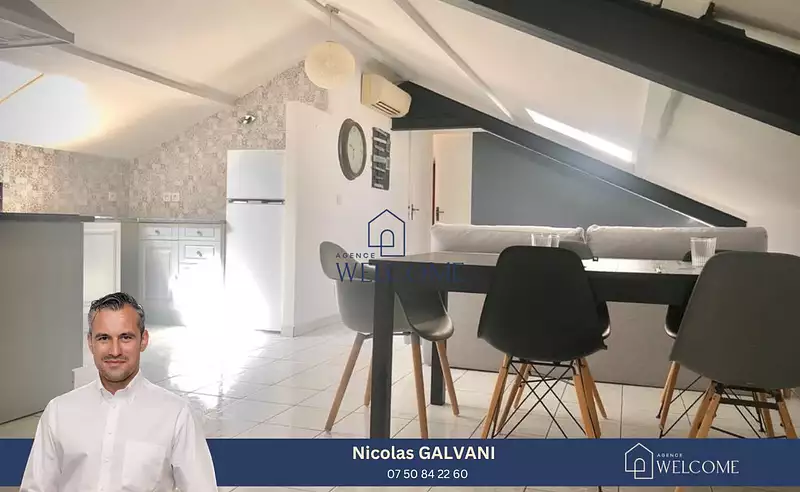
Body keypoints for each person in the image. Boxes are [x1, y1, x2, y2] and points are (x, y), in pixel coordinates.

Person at [20, 292, 218, 491]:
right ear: (90, 342)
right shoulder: (58, 412)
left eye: (125, 337)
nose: (115, 351)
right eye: (104, 338)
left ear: (143, 340)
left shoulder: (176, 415)